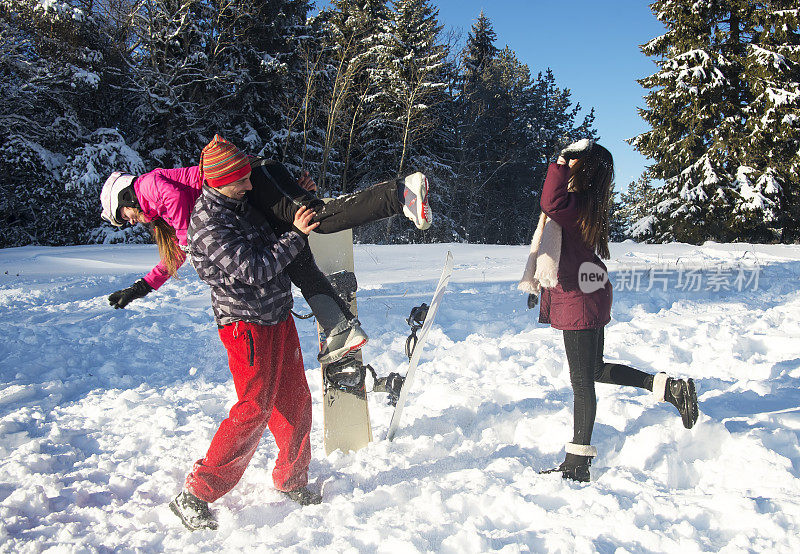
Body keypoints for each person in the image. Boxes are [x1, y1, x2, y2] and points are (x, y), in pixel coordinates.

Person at [100, 139, 432, 363]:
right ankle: (340, 328)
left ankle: (401, 192)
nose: (129, 222)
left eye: (122, 217)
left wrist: (193, 242)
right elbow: (176, 252)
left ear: (124, 200)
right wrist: (141, 287)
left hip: (249, 177)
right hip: (254, 190)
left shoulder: (147, 187)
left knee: (315, 219)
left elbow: (182, 219)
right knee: (297, 262)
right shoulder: (158, 206)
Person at [519, 139, 699, 483]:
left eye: (575, 161)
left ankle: (577, 462)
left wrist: (560, 159)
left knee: (582, 381)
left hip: (580, 297)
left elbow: (549, 200)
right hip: (587, 290)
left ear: (583, 168)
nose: (568, 165)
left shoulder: (574, 205)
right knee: (594, 369)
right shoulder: (585, 203)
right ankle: (668, 388)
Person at [169, 136, 321, 531]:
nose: (250, 185)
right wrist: (297, 236)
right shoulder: (207, 223)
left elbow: (271, 215)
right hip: (245, 327)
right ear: (219, 181)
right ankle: (196, 492)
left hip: (278, 317)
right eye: (242, 181)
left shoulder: (241, 202)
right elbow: (254, 269)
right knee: (253, 408)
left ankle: (292, 478)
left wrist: (295, 195)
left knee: (295, 399)